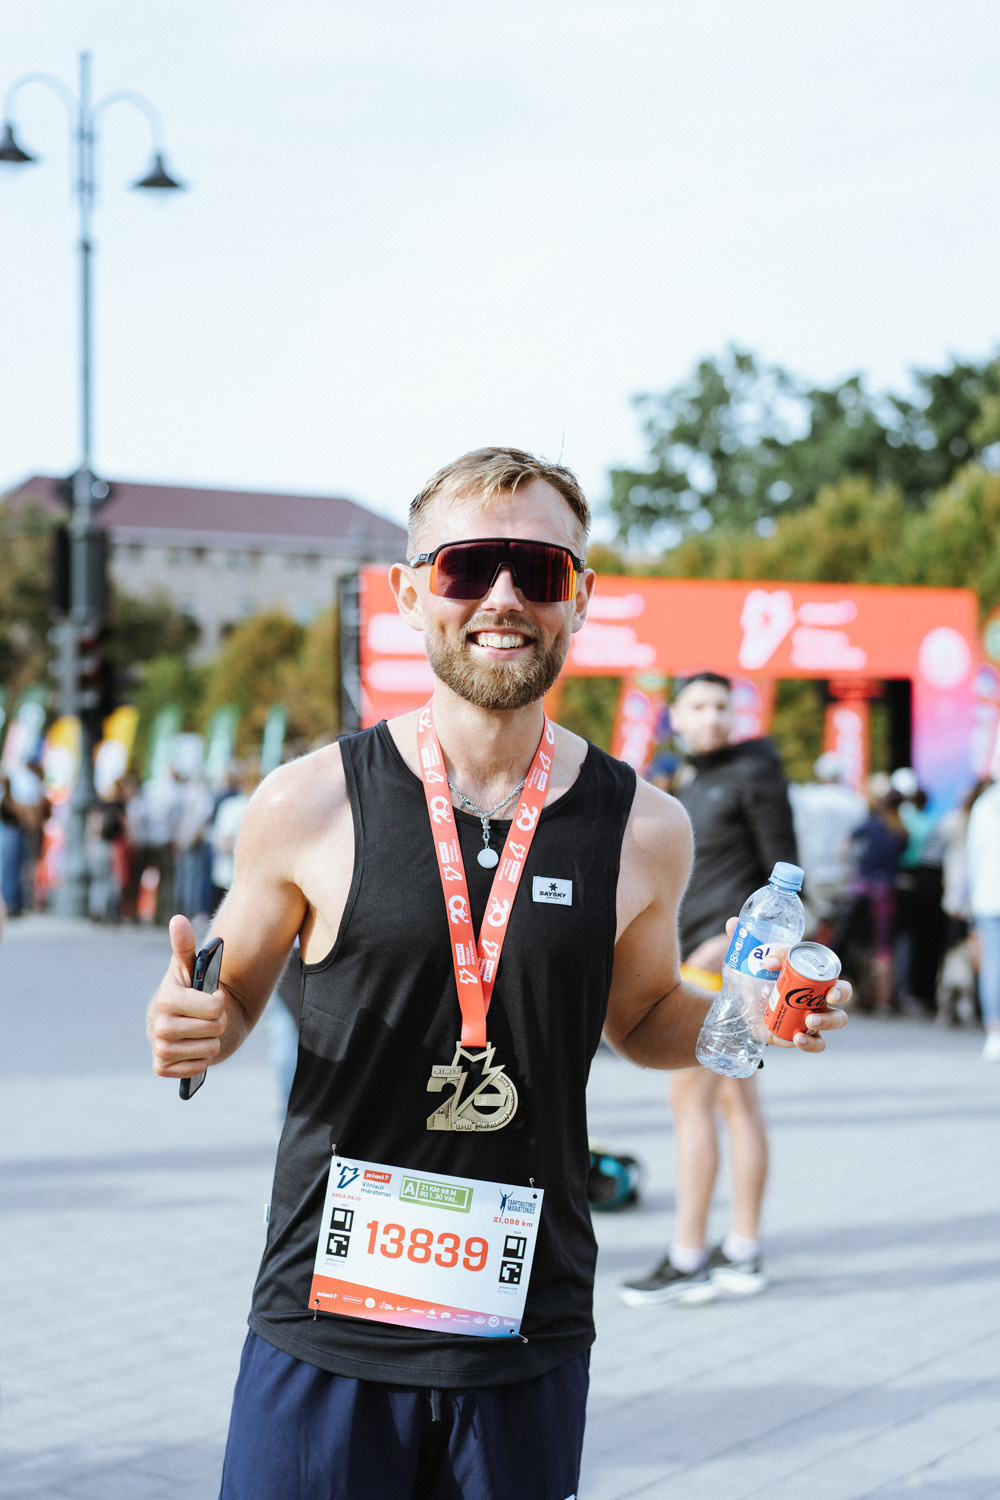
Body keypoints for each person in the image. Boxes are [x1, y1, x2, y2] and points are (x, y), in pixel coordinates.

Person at [146, 448, 848, 1500]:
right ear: (412, 590)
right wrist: (196, 1021)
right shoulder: (307, 802)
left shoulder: (645, 827)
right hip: (328, 1313)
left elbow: (644, 1014)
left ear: (583, 598)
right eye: (470, 567)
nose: (505, 599)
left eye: (540, 569)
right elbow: (233, 990)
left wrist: (734, 1017)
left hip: (528, 1320)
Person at [619, 672, 799, 1309]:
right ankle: (743, 1251)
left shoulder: (755, 772)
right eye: (699, 705)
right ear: (676, 714)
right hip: (698, 957)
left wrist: (737, 956)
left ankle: (689, 1255)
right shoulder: (688, 776)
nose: (713, 715)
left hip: (728, 963)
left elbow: (785, 879)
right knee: (734, 1104)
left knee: (690, 1102)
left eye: (722, 705)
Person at [788, 753, 867, 932]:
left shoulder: (808, 798)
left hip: (811, 868)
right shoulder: (854, 801)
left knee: (809, 922)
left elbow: (798, 831)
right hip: (843, 870)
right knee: (838, 922)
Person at [965, 776, 1000, 1062]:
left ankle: (994, 1033)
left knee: (993, 967)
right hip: (987, 896)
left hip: (988, 896)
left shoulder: (985, 805)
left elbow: (972, 856)